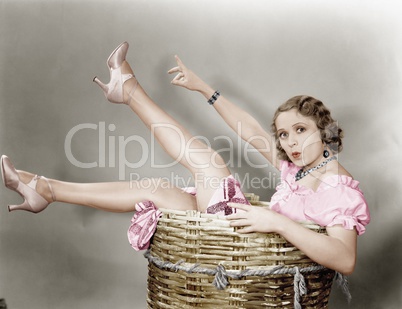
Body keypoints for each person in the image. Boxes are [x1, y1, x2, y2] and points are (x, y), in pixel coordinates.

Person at [1, 42, 370, 276]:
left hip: (247, 253)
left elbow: (345, 260)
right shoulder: (299, 167)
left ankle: (128, 91)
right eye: (284, 134)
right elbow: (249, 128)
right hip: (240, 240)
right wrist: (204, 88)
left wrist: (275, 220)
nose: (289, 143)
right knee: (157, 188)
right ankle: (46, 189)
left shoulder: (340, 189)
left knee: (209, 165)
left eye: (300, 131)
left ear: (325, 130)